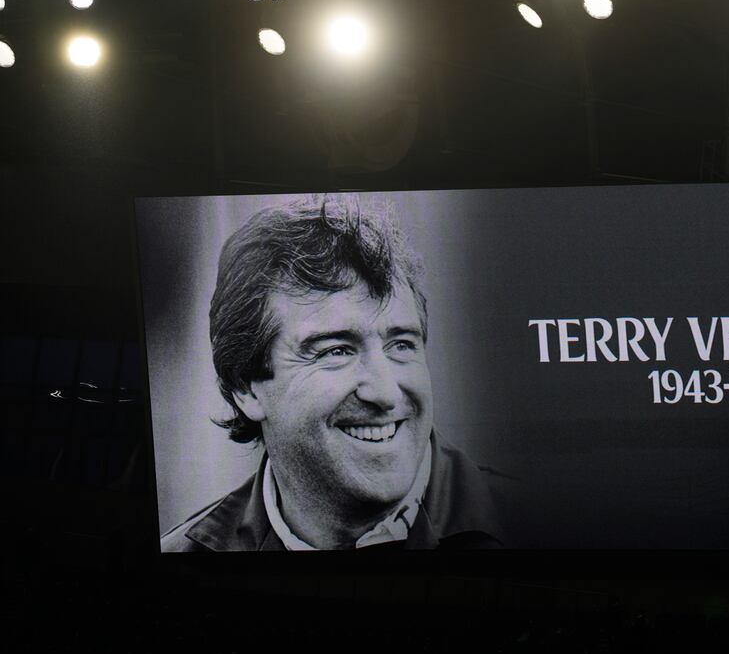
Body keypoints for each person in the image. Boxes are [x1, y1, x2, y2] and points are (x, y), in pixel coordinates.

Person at [161, 195, 503, 551]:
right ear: (245, 386)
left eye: (401, 345)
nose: (386, 393)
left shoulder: (531, 520)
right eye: (336, 351)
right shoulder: (177, 558)